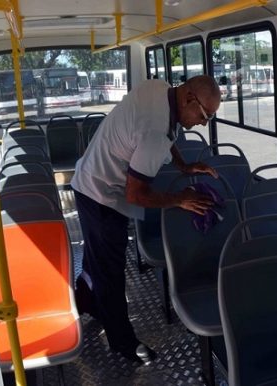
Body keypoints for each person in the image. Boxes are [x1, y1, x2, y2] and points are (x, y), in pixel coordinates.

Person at [71, 75, 221, 364]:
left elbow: (169, 133)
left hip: (90, 179)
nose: (204, 123)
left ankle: (86, 300)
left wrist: (184, 165)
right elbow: (136, 194)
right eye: (204, 116)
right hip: (100, 194)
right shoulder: (154, 131)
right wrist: (181, 199)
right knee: (110, 272)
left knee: (97, 259)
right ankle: (122, 343)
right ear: (189, 98)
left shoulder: (160, 88)